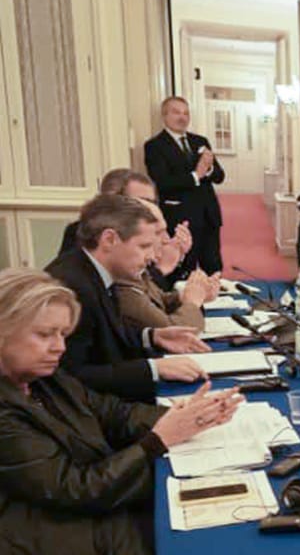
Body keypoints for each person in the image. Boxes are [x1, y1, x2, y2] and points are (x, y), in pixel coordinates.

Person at [0, 270, 240, 555]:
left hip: (75, 515)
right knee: (199, 539)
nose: (59, 347)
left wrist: (184, 417)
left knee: (204, 507)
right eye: (44, 335)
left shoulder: (42, 378)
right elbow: (79, 490)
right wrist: (159, 440)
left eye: (62, 334)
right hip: (46, 545)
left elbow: (110, 412)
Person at [44, 194, 209, 402]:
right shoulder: (75, 288)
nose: (151, 257)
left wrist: (152, 337)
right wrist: (152, 368)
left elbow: (105, 337)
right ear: (109, 240)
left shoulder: (95, 271)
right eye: (144, 246)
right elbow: (69, 376)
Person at [59, 171, 193, 289]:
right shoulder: (84, 230)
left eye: (153, 202)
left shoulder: (150, 230)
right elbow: (126, 294)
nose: (149, 209)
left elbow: (166, 292)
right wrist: (161, 269)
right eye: (142, 201)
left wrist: (177, 257)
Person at [144, 96, 225, 274]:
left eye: (186, 113)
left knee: (213, 266)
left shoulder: (200, 141)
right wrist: (196, 175)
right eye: (176, 112)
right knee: (183, 268)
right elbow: (162, 182)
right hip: (180, 217)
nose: (182, 117)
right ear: (164, 116)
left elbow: (219, 176)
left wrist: (209, 169)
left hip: (208, 214)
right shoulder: (154, 146)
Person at [116, 200, 217, 334]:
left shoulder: (132, 270)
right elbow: (174, 332)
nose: (166, 239)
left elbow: (158, 300)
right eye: (158, 232)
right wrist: (192, 302)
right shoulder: (122, 281)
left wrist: (189, 294)